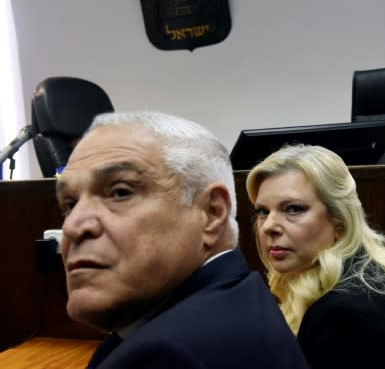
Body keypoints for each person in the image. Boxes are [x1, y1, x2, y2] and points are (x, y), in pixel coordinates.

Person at [55, 111, 310, 369]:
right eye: (70, 204)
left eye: (120, 193)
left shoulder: (166, 356)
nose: (72, 226)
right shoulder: (236, 297)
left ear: (212, 213)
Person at [245, 144, 385, 368]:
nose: (268, 226)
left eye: (293, 209)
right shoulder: (373, 276)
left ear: (340, 221)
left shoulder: (342, 315)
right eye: (263, 212)